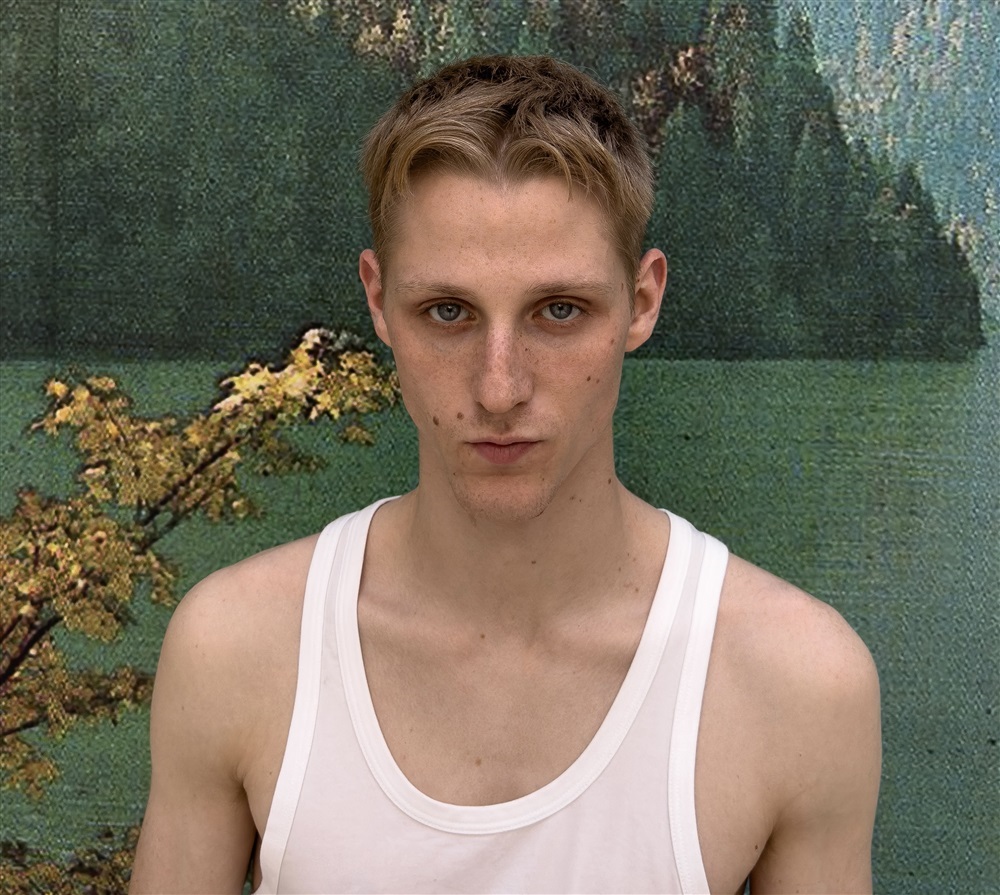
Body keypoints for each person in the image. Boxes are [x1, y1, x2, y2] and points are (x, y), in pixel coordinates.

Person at [130, 55, 881, 894]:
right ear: (378, 301)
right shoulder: (239, 647)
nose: (500, 388)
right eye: (447, 312)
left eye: (559, 311)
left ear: (642, 301)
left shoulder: (797, 681)